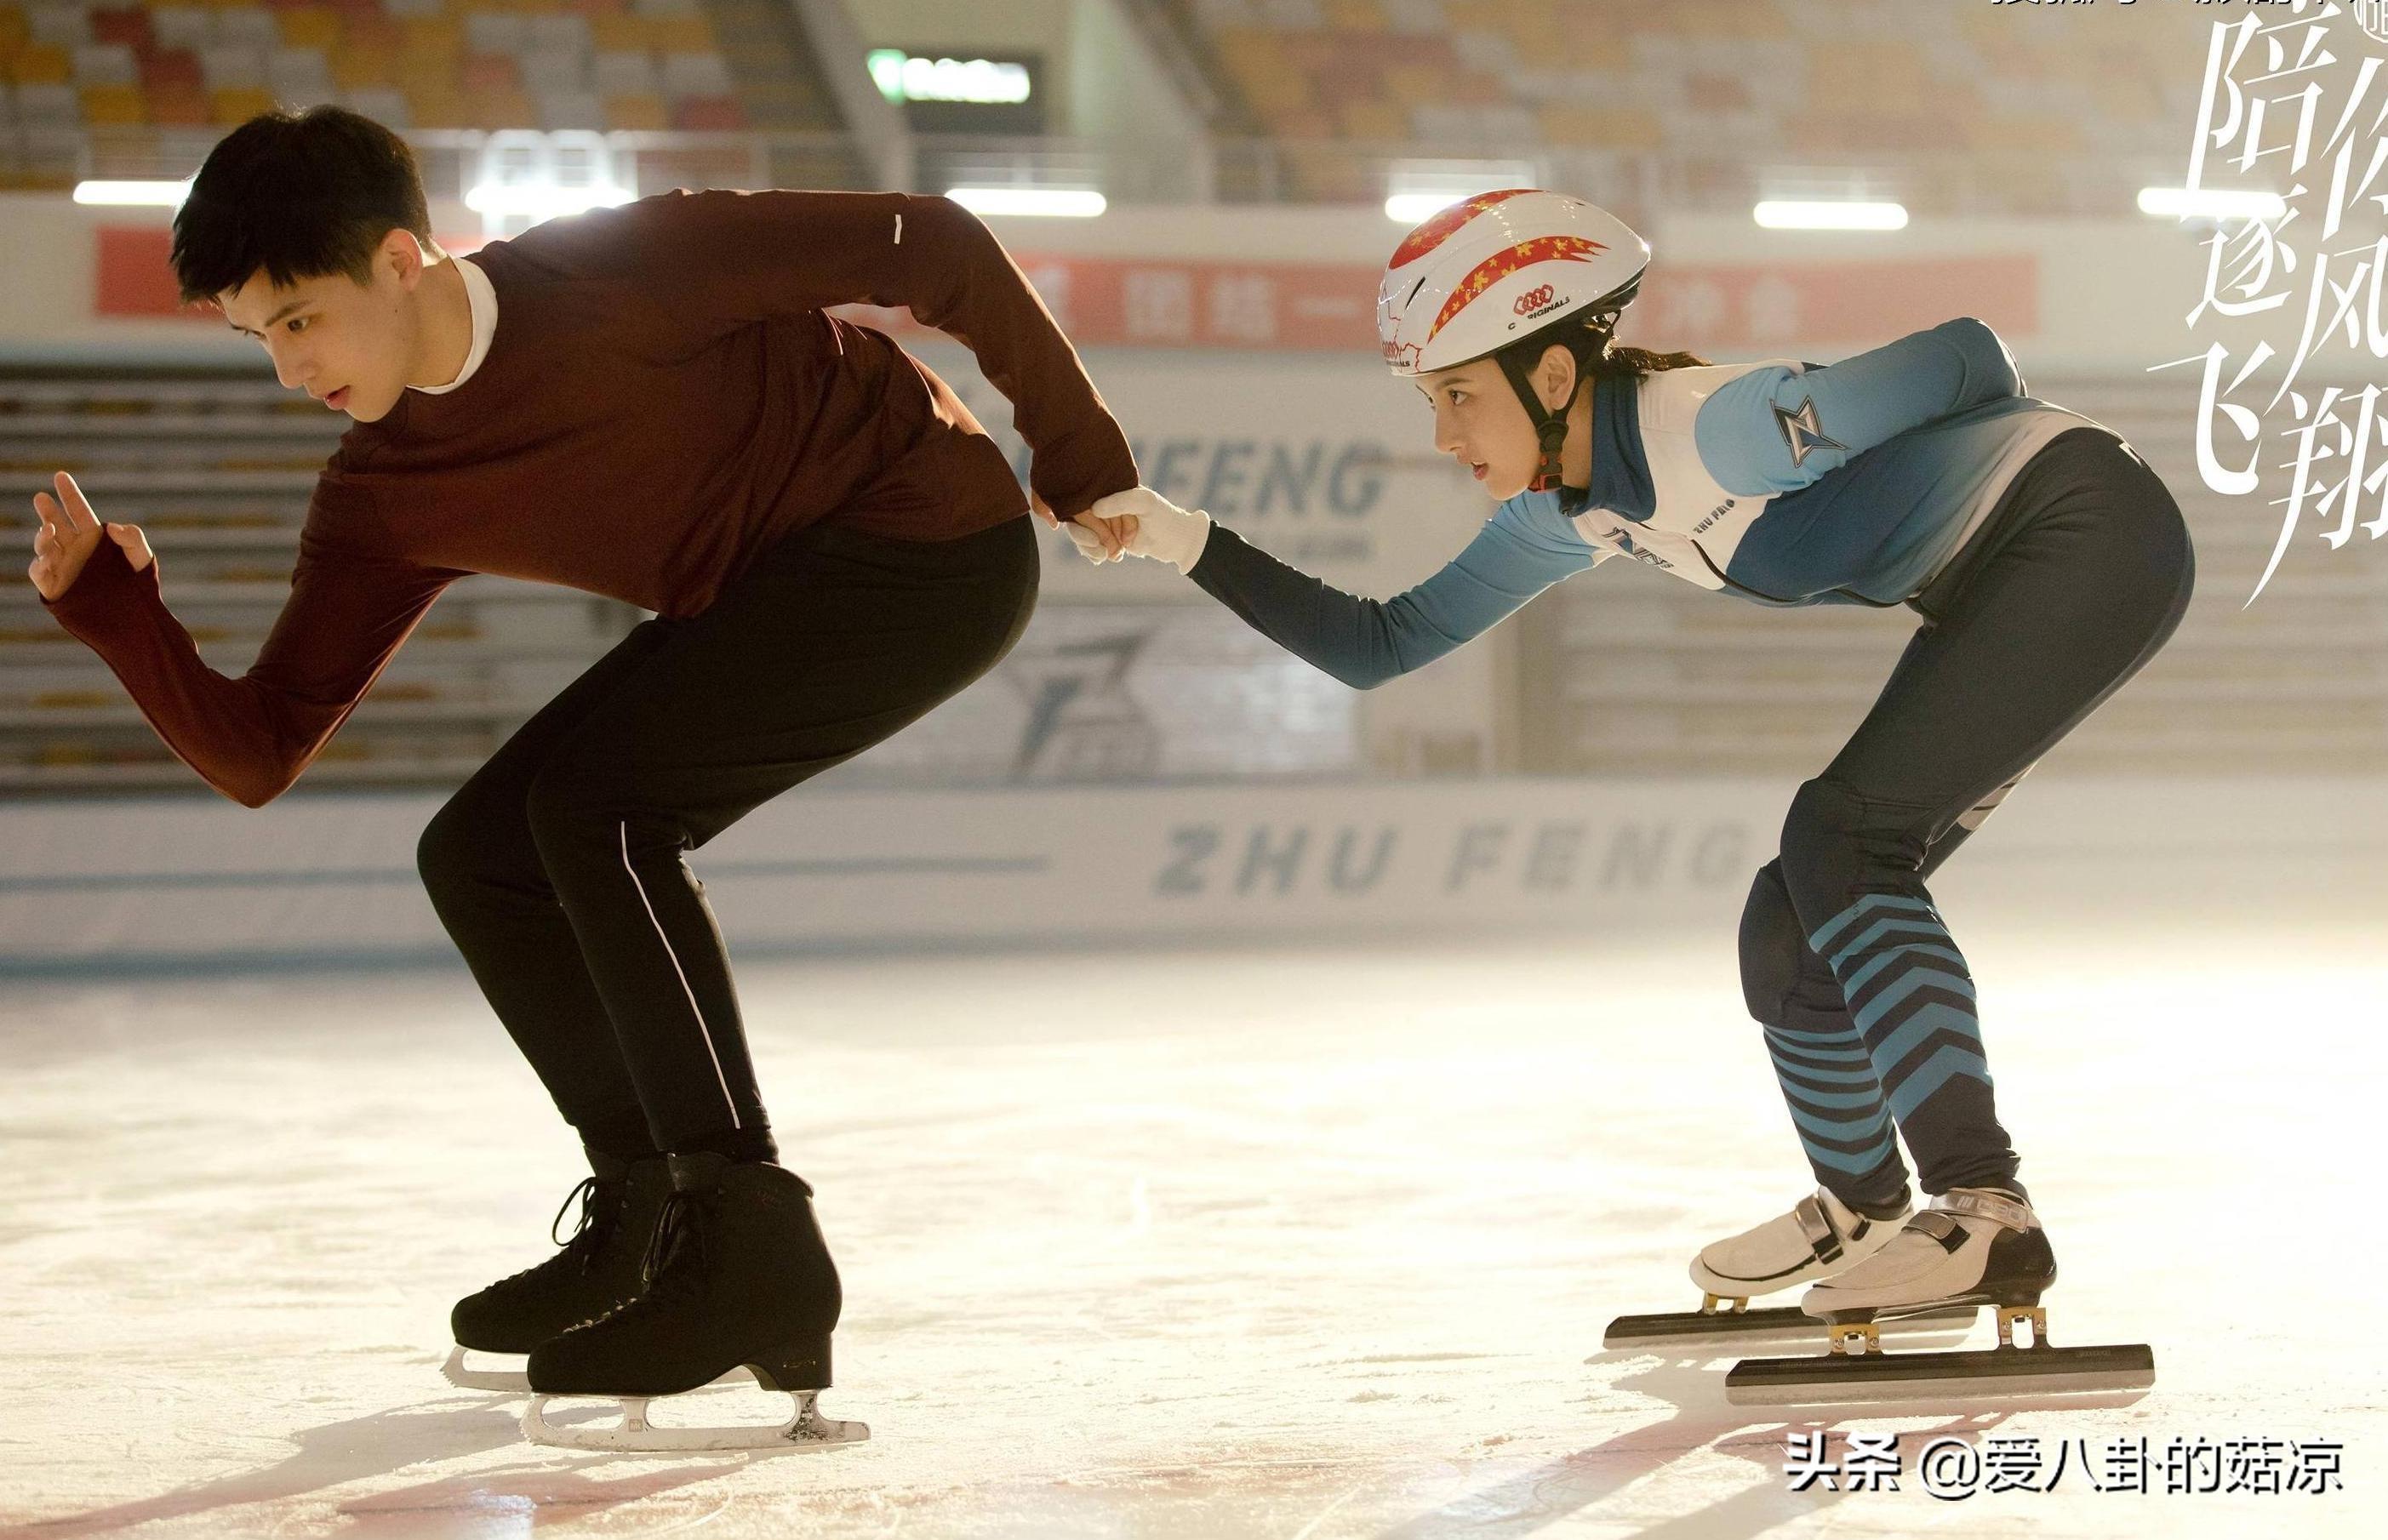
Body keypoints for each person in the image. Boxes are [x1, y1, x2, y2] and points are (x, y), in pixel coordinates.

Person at [27, 106, 1137, 1449]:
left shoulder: (614, 268)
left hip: (926, 545)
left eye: (301, 319)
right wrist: (115, 615)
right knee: (478, 852)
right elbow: (261, 751)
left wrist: (1078, 456)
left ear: (400, 259)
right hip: (754, 596)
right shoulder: (387, 490)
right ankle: (650, 1209)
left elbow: (933, 242)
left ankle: (749, 1242)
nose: (284, 369)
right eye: (256, 337)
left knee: (597, 809)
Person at [1071, 189, 2195, 1342]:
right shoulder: (1561, 513)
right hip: (1993, 582)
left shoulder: (1723, 429)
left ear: (1553, 377)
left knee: (1838, 837)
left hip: (2087, 534)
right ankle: (1865, 1209)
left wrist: (1914, 447)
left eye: (1456, 396)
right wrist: (1176, 535)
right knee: (1789, 918)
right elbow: (1380, 644)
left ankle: (1983, 1212)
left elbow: (1967, 355)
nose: (1444, 437)